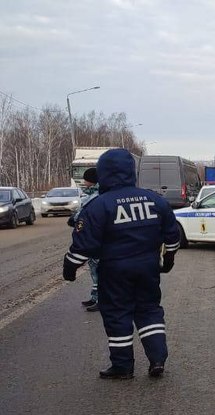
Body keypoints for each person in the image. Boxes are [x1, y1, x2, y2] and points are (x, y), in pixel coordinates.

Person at [62, 148, 181, 379]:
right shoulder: (154, 200)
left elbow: (84, 245)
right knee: (148, 310)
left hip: (115, 270)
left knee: (118, 314)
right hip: (148, 268)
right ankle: (157, 359)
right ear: (131, 172)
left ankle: (123, 366)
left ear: (105, 174)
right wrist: (169, 259)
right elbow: (172, 234)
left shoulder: (99, 206)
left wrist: (70, 267)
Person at [69, 168, 101, 312]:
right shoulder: (89, 193)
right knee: (94, 269)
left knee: (99, 270)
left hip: (95, 237)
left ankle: (101, 299)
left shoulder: (97, 194)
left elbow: (87, 212)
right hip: (90, 236)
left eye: (86, 179)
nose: (83, 182)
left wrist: (75, 218)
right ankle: (95, 297)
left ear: (92, 180)